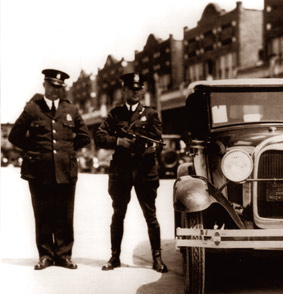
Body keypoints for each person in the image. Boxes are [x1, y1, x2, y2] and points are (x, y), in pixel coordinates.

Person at [8, 69, 90, 270]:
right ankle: (45, 255)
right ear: (44, 85)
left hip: (65, 169)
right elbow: (14, 136)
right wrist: (35, 150)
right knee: (43, 213)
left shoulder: (71, 110)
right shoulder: (32, 109)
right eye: (52, 86)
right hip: (38, 170)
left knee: (65, 213)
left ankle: (63, 255)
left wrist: (65, 151)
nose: (55, 90)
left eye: (59, 87)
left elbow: (84, 137)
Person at [95, 72, 167, 273]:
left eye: (138, 89)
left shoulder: (151, 114)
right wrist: (119, 141)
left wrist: (149, 148)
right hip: (122, 172)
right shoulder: (115, 114)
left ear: (142, 90)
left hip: (144, 170)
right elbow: (99, 136)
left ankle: (157, 258)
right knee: (118, 214)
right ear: (124, 90)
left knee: (150, 216)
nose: (135, 92)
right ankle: (114, 257)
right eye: (131, 89)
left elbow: (158, 142)